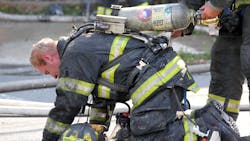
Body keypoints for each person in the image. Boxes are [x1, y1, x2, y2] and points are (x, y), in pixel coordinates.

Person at [30, 22, 244, 141]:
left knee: (148, 133)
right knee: (134, 133)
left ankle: (210, 127)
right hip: (161, 75)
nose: (54, 77)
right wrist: (98, 128)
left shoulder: (74, 55)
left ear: (48, 58)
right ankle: (206, 121)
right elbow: (102, 99)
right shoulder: (83, 45)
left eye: (48, 72)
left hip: (157, 78)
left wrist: (49, 139)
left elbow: (67, 105)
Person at [181, 0, 250, 120]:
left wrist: (216, 4)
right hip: (236, 11)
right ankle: (221, 126)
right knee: (225, 62)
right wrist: (183, 19)